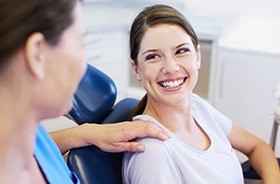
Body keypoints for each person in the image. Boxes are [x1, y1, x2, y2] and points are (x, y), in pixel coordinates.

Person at [0, 0, 170, 183]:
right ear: (37, 54)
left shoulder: (29, 132)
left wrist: (88, 133)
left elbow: (42, 147)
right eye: (80, 44)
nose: (84, 67)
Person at [122, 4, 280, 184]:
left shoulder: (197, 107)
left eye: (181, 51)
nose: (171, 68)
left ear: (197, 56)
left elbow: (257, 147)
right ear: (136, 69)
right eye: (153, 57)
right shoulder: (152, 153)